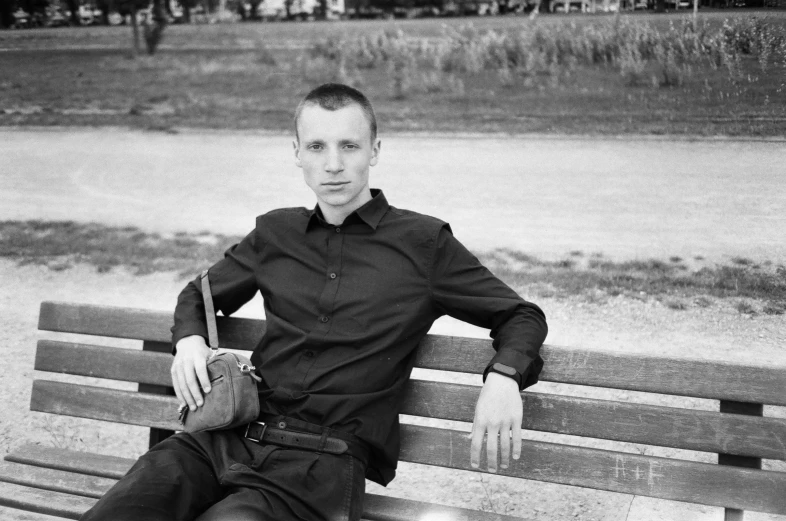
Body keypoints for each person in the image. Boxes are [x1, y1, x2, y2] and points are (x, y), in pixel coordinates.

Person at [81, 83, 547, 521]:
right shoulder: (275, 234)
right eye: (317, 147)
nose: (333, 165)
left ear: (375, 152)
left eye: (349, 146)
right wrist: (189, 342)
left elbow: (520, 315)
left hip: (320, 466)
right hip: (221, 441)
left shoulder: (424, 244)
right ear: (297, 154)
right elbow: (199, 295)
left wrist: (504, 377)